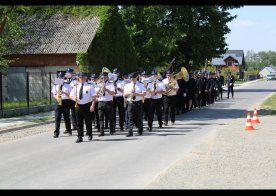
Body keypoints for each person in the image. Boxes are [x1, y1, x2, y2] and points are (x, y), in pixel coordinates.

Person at [70, 72, 96, 143]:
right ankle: (80, 136)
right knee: (79, 122)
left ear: (85, 78)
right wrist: (73, 98)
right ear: (78, 78)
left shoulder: (90, 86)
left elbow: (93, 97)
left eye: (82, 77)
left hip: (87, 105)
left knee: (88, 121)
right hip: (78, 106)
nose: (81, 79)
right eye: (80, 77)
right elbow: (70, 95)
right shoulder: (76, 86)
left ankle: (90, 134)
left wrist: (92, 105)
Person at [123, 72, 146, 137]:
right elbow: (124, 95)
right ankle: (130, 132)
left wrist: (136, 94)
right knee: (130, 118)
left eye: (133, 78)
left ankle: (140, 130)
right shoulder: (127, 85)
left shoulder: (141, 85)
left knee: (139, 117)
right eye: (131, 78)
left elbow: (144, 94)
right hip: (130, 102)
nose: (132, 79)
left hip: (138, 102)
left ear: (136, 78)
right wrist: (129, 93)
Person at [52, 72, 72, 138]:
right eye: (59, 77)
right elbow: (54, 94)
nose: (60, 78)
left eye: (62, 77)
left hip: (65, 101)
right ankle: (56, 132)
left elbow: (71, 95)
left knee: (66, 117)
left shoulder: (68, 85)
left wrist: (64, 92)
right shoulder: (55, 85)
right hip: (58, 101)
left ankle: (69, 130)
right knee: (57, 118)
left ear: (64, 78)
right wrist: (57, 97)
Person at [95, 72, 116, 137]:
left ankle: (112, 130)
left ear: (107, 77)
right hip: (100, 102)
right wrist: (99, 90)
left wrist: (106, 89)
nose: (103, 78)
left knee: (110, 117)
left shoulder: (111, 84)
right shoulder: (98, 84)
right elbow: (96, 94)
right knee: (100, 118)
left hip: (108, 102)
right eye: (102, 77)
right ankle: (102, 132)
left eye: (104, 77)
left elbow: (113, 93)